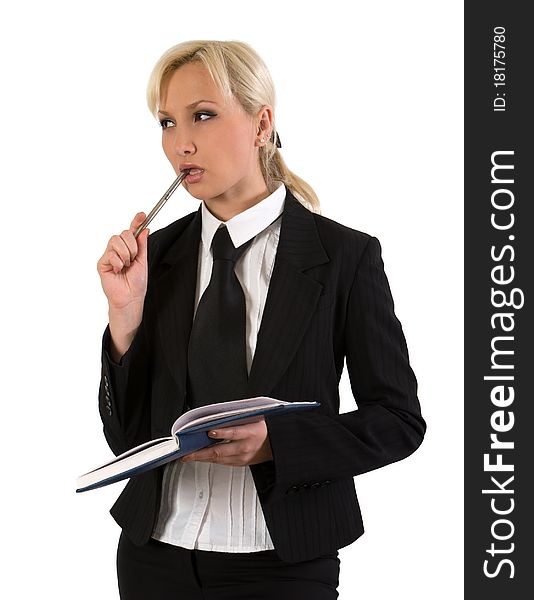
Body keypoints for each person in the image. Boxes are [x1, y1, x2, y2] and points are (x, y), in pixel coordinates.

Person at [96, 39, 426, 600]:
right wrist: (124, 317)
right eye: (167, 123)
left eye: (203, 116)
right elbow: (126, 440)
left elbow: (398, 421)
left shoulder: (344, 257)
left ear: (260, 122)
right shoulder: (159, 259)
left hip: (282, 566)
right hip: (154, 561)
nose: (182, 143)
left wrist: (279, 441)